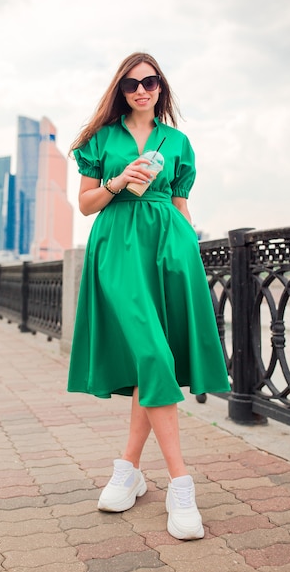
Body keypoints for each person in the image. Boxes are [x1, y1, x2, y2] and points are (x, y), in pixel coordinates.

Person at [67, 52, 231, 541]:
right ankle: (182, 483)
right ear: (121, 90)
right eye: (132, 83)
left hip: (168, 249)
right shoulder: (101, 139)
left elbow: (181, 206)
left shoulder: (178, 142)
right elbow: (84, 204)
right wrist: (119, 181)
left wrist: (189, 257)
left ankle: (129, 469)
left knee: (150, 361)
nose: (141, 90)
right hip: (117, 247)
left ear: (161, 88)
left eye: (150, 82)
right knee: (153, 352)